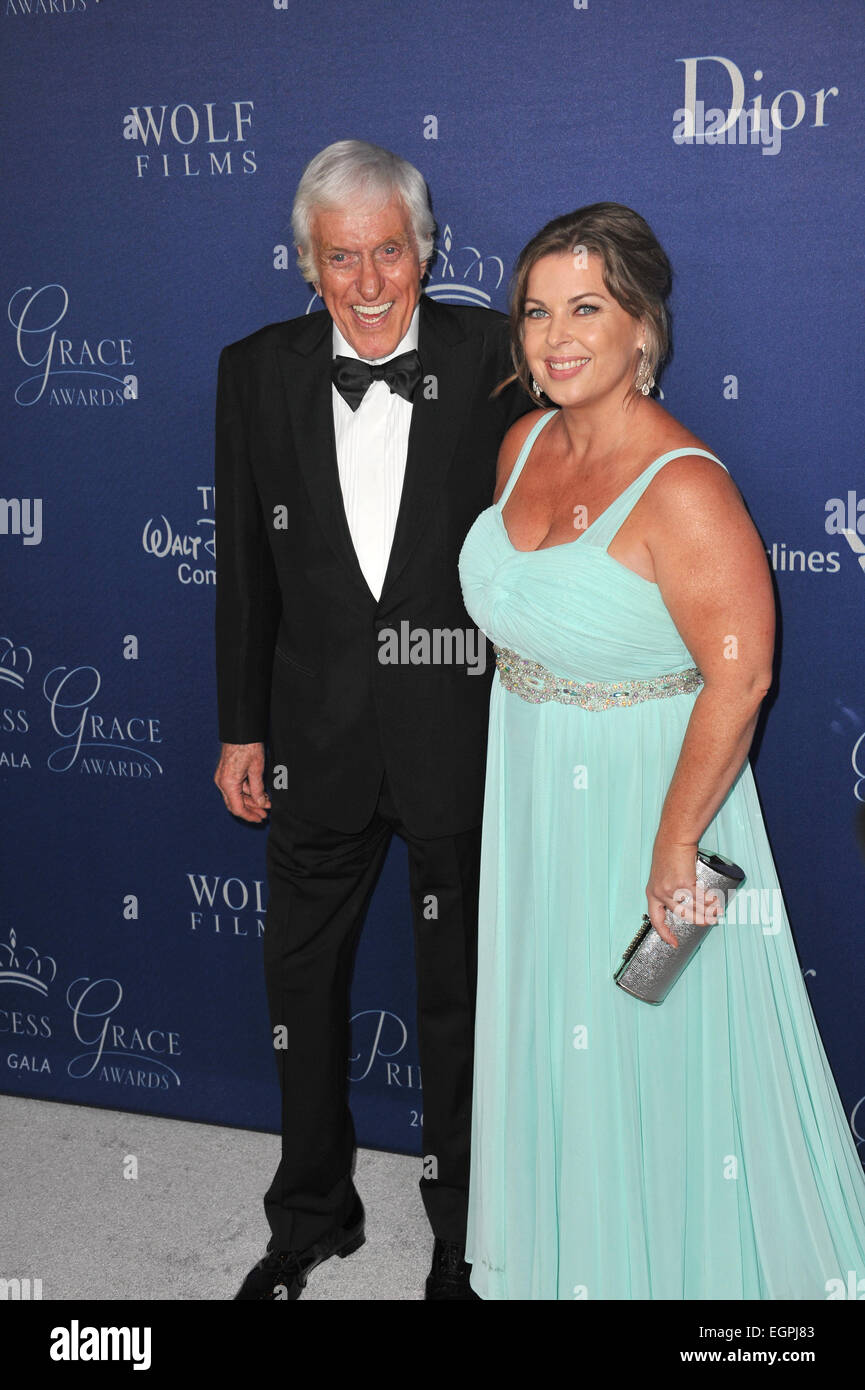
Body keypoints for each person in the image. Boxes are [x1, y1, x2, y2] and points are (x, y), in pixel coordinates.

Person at [458, 203, 865, 1299]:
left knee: (655, 1050)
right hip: (536, 783)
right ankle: (568, 1263)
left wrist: (674, 847)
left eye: (586, 307)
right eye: (536, 311)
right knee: (559, 1039)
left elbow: (740, 677)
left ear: (644, 328)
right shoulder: (522, 440)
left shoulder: (685, 486)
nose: (555, 335)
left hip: (655, 799)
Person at [213, 140, 528, 1300]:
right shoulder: (252, 370)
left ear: (424, 248)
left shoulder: (498, 355)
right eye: (339, 256)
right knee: (300, 986)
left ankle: (461, 1233)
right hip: (314, 739)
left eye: (387, 249)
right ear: (307, 263)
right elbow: (242, 566)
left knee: (458, 998)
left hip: (457, 729)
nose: (367, 279)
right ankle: (309, 1217)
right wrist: (240, 728)